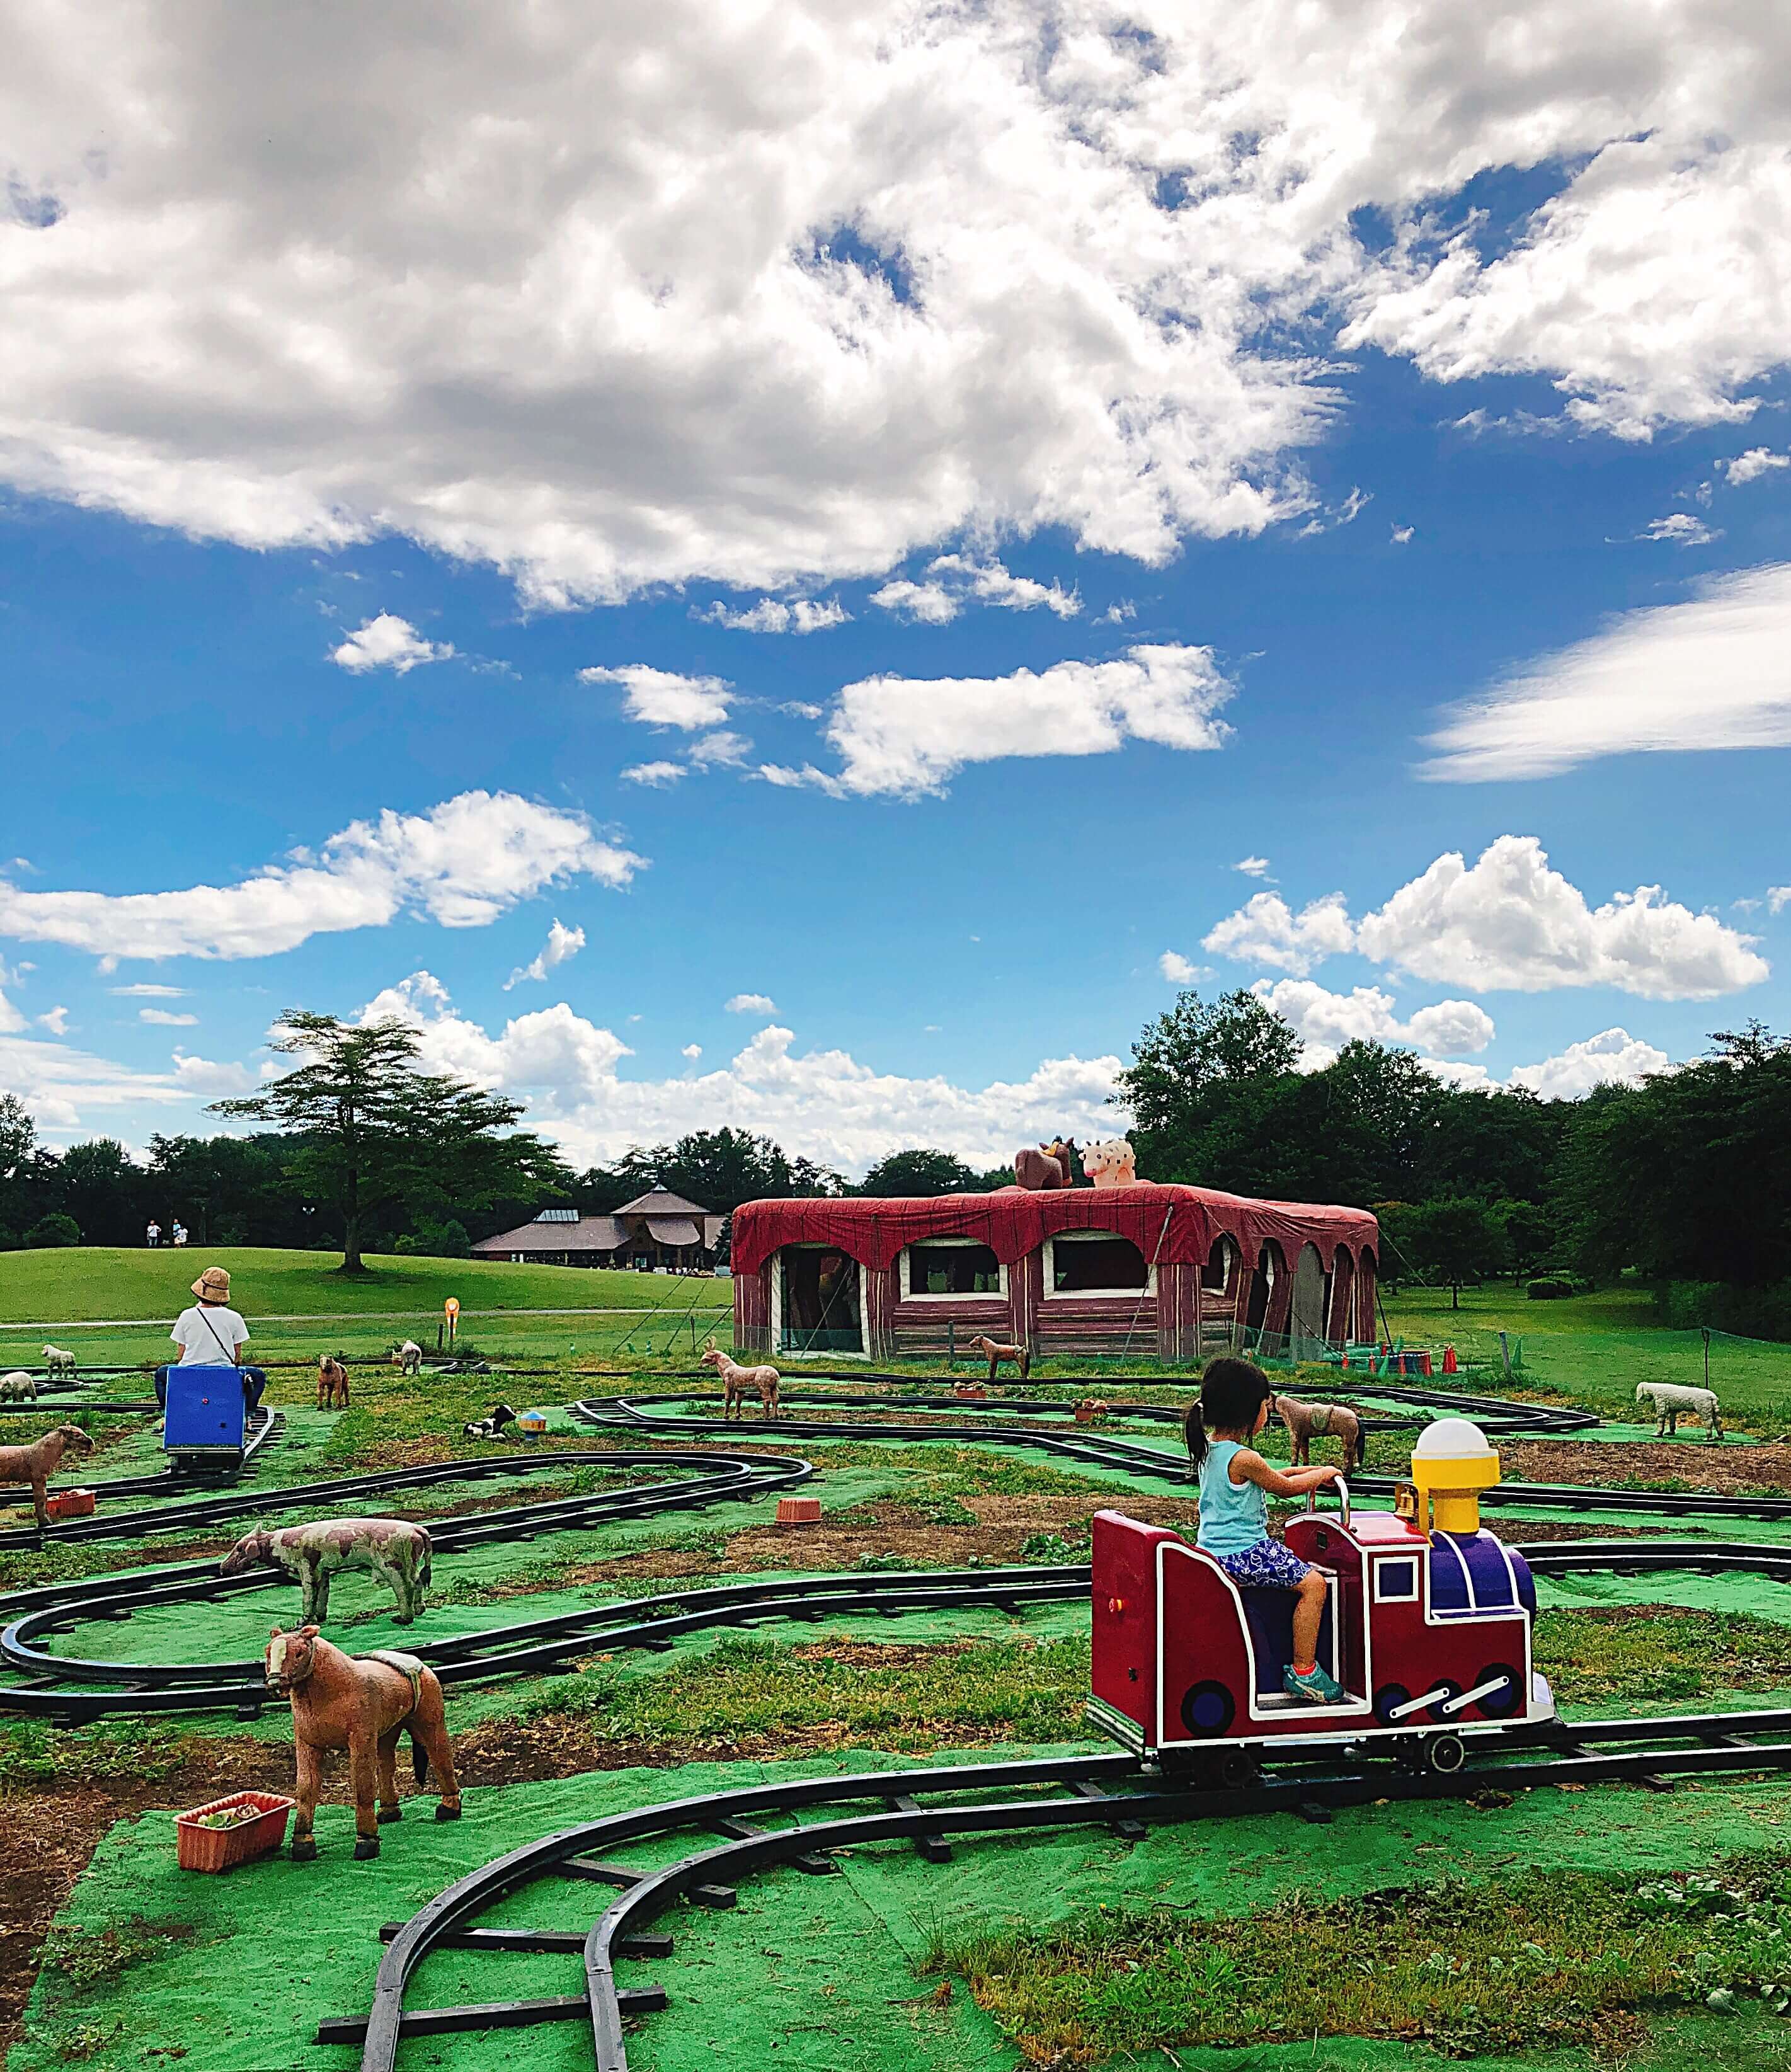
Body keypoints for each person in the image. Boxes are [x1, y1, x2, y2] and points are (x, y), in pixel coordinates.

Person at [1186, 1356, 1346, 1703]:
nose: (1268, 1412)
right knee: (1314, 1585)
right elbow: (1284, 1488)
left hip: (1213, 1551)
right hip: (1244, 1553)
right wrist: (1325, 1473)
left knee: (1301, 1575)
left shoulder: (1211, 1449)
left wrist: (1312, 1469)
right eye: (1265, 1406)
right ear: (1250, 1412)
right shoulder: (1244, 1457)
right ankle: (1304, 1670)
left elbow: (1274, 1478)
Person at [160, 1266, 265, 1412]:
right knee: (258, 1376)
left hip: (190, 1372)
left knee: (161, 1374)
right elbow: (237, 1356)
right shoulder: (235, 1317)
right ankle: (247, 1414)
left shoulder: (187, 1315)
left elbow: (181, 1354)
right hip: (223, 1373)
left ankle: (167, 1414)